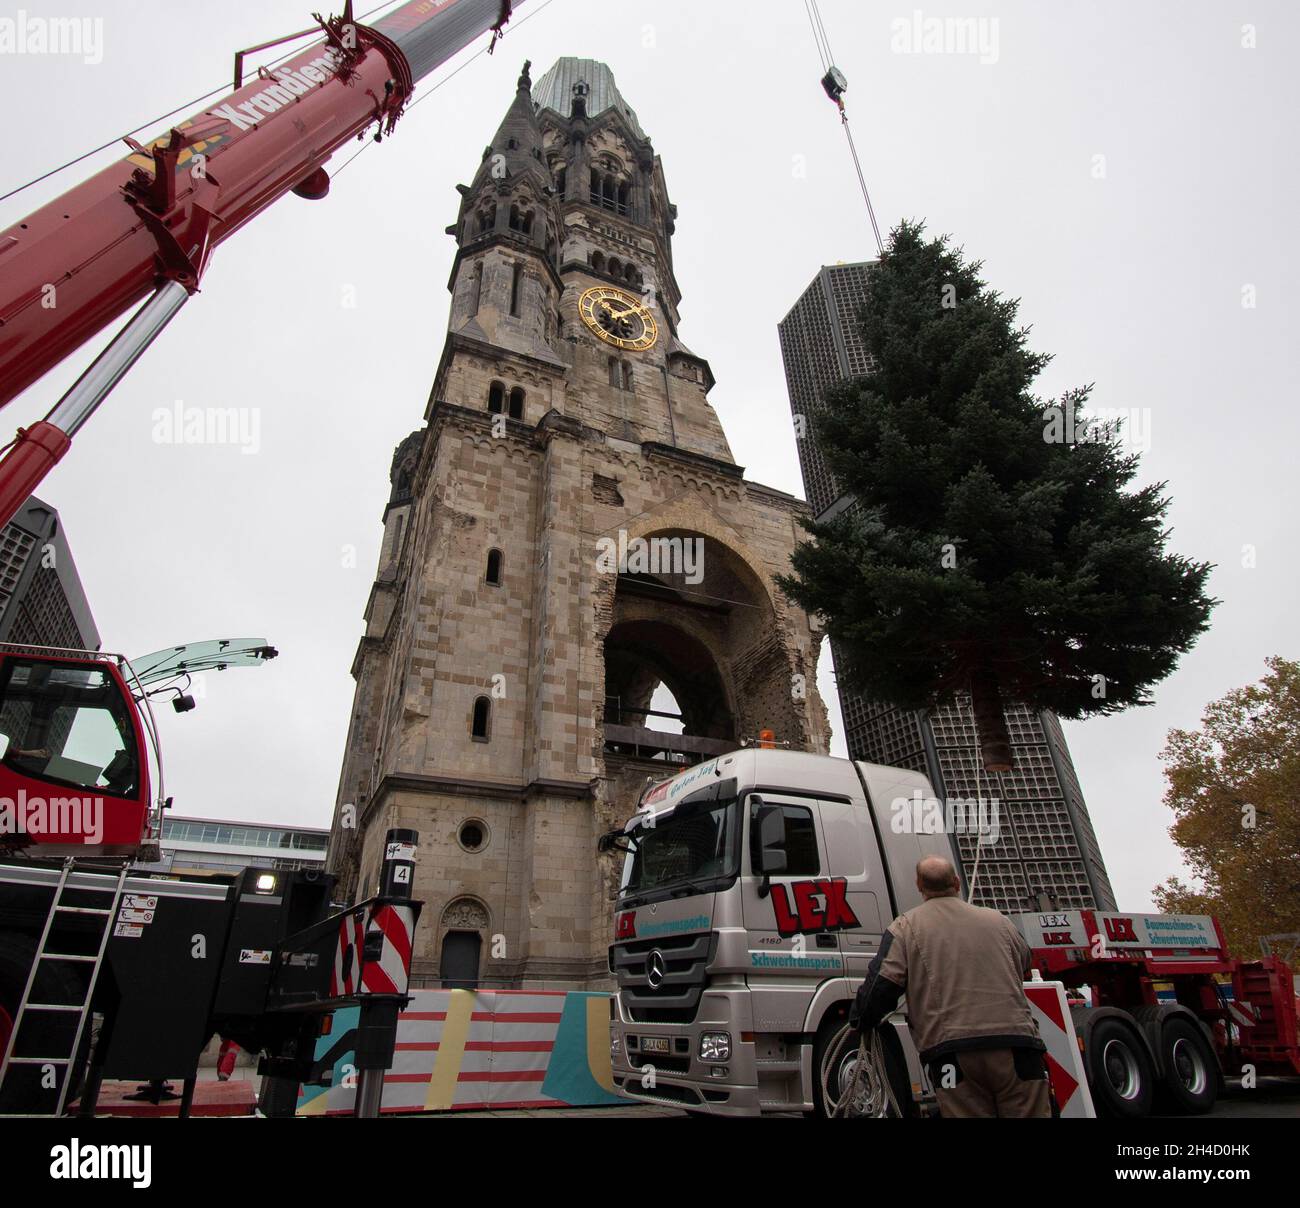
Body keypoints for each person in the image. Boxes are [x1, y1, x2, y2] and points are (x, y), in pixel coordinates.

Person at [851, 855, 1051, 1118]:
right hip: (1018, 1049)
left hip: (953, 1055)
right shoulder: (999, 921)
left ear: (919, 885)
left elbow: (881, 987)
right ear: (957, 882)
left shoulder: (905, 928)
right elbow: (1025, 961)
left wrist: (861, 1018)